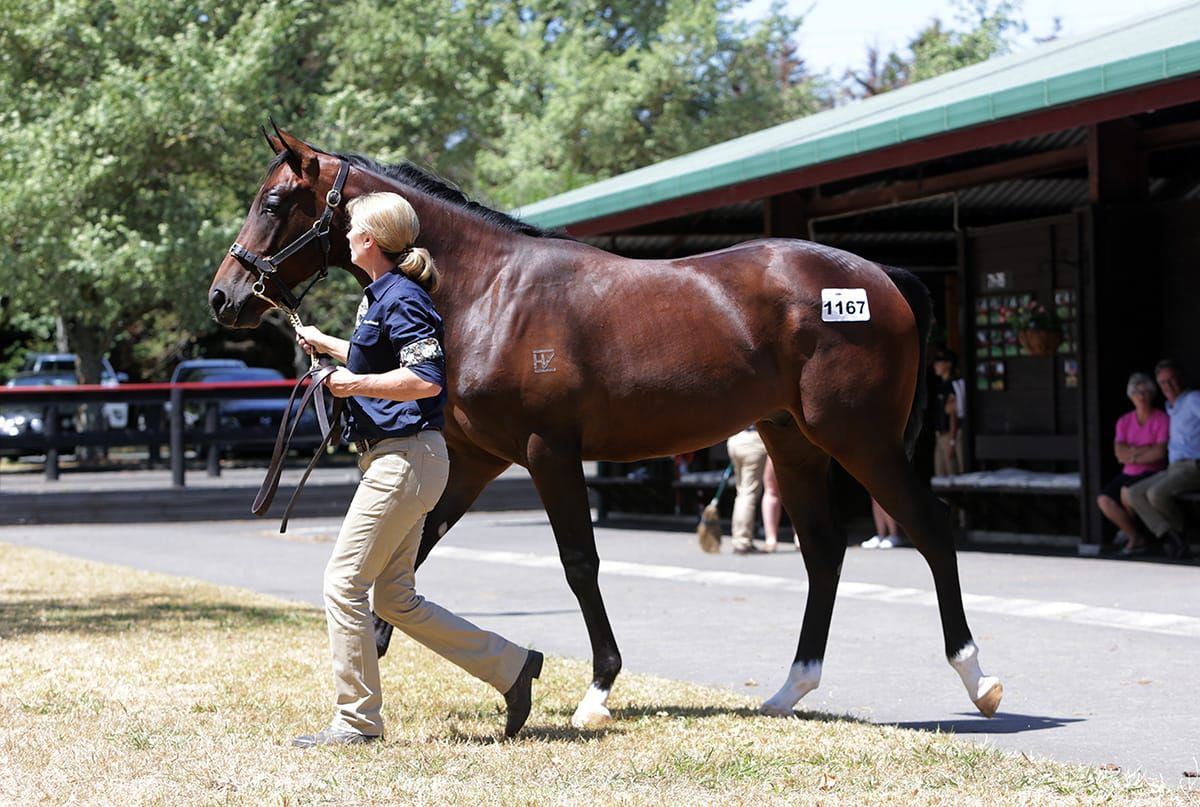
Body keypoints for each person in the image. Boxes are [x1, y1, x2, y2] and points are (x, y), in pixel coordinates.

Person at [290, 192, 541, 747]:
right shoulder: (383, 295)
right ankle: (511, 666)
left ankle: (356, 722)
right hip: (407, 459)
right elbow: (380, 359)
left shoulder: (402, 298)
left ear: (370, 241)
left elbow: (425, 378)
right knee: (393, 597)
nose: (346, 233)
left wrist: (349, 382)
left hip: (404, 460)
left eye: (352, 226)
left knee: (343, 583)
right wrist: (332, 347)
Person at [1125, 360, 1200, 558]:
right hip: (1174, 468)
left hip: (1194, 465)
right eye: (1163, 382)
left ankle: (1180, 538)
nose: (1168, 385)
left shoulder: (1192, 399)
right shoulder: (1169, 407)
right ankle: (1172, 536)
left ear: (1180, 379)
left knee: (1156, 493)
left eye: (1172, 380)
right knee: (1134, 494)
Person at [1095, 372, 1168, 555]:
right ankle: (1135, 535)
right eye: (1137, 392)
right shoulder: (1124, 421)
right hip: (1128, 472)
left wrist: (1133, 452)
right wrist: (1146, 449)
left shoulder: (1161, 418)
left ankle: (1136, 538)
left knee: (1127, 495)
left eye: (1145, 392)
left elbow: (1159, 453)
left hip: (1152, 473)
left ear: (1152, 394)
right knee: (1104, 500)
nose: (1142, 397)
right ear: (1131, 395)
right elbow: (1119, 453)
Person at [726, 427, 782, 553]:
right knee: (748, 493)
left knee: (742, 492)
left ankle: (739, 538)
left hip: (735, 439)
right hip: (752, 442)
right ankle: (742, 540)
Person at [931, 350, 962, 478]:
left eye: (939, 363)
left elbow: (953, 414)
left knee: (952, 476)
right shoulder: (940, 385)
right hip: (939, 435)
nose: (935, 366)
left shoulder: (952, 385)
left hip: (949, 435)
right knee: (940, 477)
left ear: (948, 364)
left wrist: (952, 441)